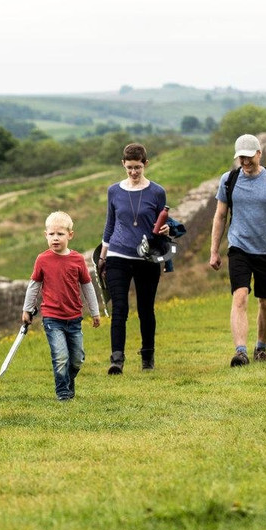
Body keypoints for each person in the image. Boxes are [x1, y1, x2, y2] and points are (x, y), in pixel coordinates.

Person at [209, 133, 266, 367]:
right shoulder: (228, 180)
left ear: (259, 153)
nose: (245, 162)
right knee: (240, 296)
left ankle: (261, 346)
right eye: (241, 158)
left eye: (249, 157)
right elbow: (220, 216)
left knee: (265, 301)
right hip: (239, 247)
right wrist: (214, 251)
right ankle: (241, 352)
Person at [96, 142, 171, 374]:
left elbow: (162, 224)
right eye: (129, 167)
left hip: (146, 258)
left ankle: (147, 357)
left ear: (145, 164)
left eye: (137, 167)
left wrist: (166, 230)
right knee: (119, 308)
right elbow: (110, 223)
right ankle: (116, 360)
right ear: (123, 164)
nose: (133, 172)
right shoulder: (114, 191)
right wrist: (103, 256)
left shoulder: (157, 192)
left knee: (146, 309)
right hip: (118, 254)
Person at [22, 211, 100, 400]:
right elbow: (34, 286)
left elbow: (87, 286)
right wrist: (27, 309)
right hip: (52, 318)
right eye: (51, 234)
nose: (55, 238)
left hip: (74, 318)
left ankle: (67, 381)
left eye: (60, 234)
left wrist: (95, 312)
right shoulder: (42, 259)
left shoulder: (78, 260)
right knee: (61, 357)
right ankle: (63, 394)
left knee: (77, 359)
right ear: (45, 235)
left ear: (70, 235)